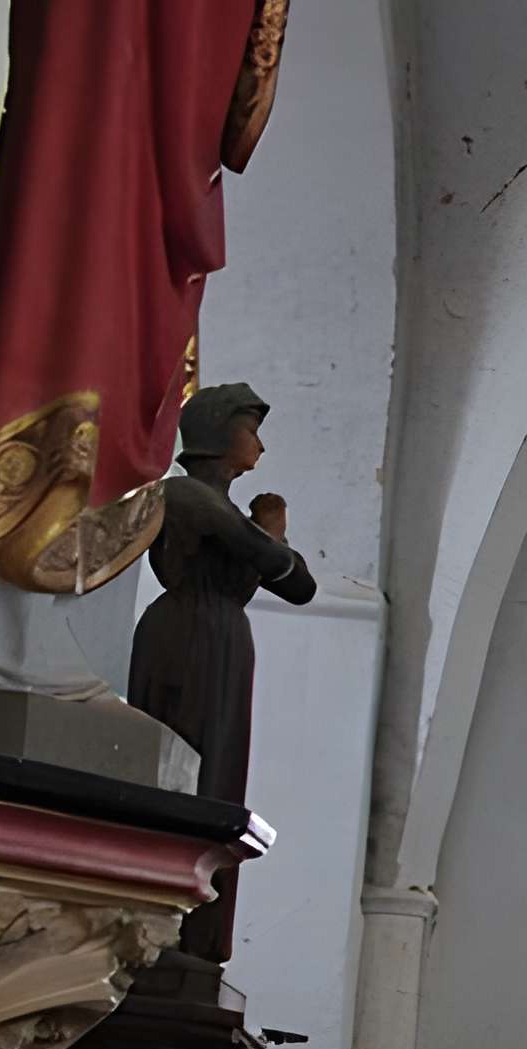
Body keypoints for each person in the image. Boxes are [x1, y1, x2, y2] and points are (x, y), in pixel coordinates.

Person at [125, 382, 317, 960]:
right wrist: (272, 529)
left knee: (220, 769)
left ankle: (197, 928)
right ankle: (161, 917)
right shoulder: (188, 496)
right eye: (251, 429)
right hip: (188, 634)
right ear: (217, 432)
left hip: (224, 636)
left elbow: (302, 589)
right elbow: (272, 561)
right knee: (185, 760)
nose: (260, 445)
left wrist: (266, 534)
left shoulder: (226, 509)